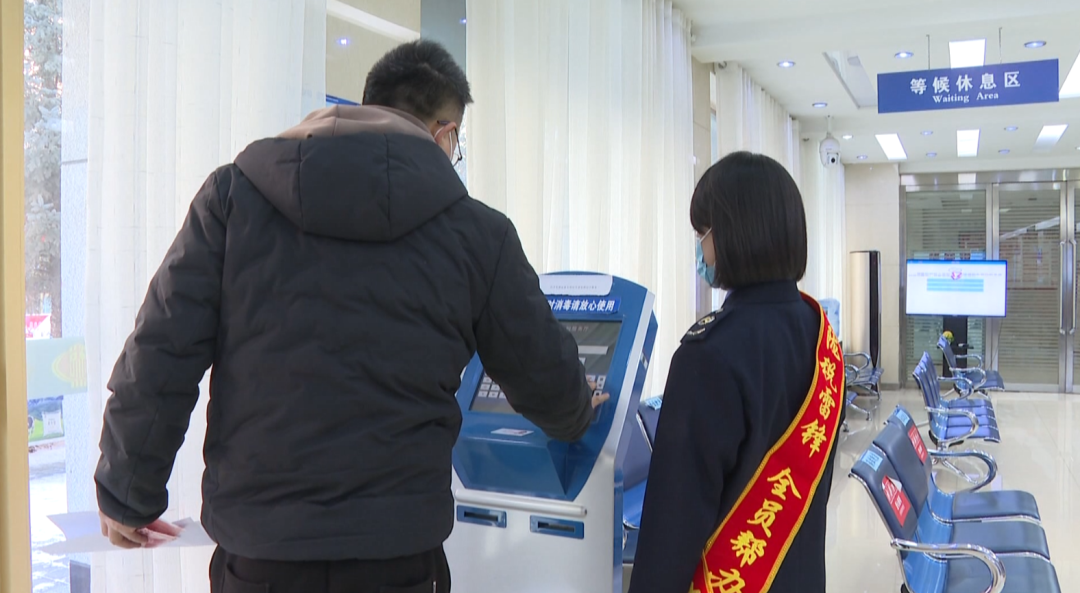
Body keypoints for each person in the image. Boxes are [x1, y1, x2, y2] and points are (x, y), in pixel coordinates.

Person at [94, 40, 606, 593]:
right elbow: (540, 370)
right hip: (397, 557)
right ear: (445, 134)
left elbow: (161, 350)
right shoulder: (479, 233)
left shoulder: (232, 199)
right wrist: (577, 411)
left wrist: (127, 492)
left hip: (261, 556)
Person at [627, 152, 844, 593]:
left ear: (732, 235)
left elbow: (672, 526)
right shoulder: (820, 336)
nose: (700, 248)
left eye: (702, 233)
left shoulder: (707, 355)